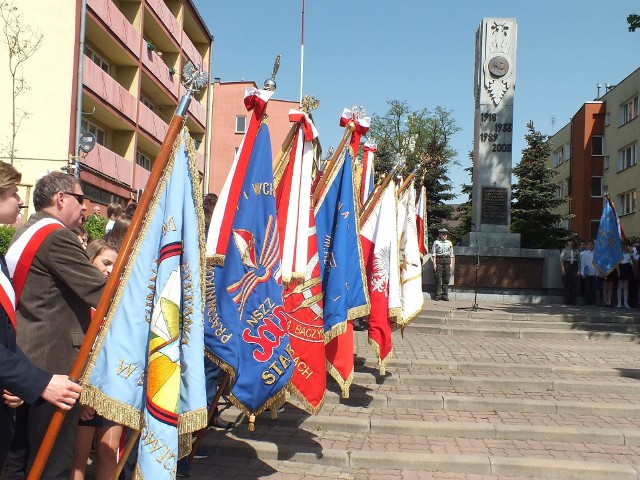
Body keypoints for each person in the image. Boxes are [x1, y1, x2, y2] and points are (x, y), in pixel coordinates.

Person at [3, 172, 107, 480]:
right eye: (80, 199)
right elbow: (100, 292)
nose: (85, 209)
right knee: (51, 465)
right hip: (53, 366)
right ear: (60, 199)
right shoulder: (57, 236)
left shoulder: (27, 231)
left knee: (19, 462)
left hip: (27, 360)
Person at [70, 239, 121, 480]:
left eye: (115, 264)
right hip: (82, 392)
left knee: (108, 452)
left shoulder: (120, 303)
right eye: (105, 262)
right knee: (78, 459)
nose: (110, 269)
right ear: (89, 262)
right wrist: (82, 397)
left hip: (111, 390)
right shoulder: (79, 303)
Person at [431, 228, 454, 301]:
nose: (444, 235)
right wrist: (434, 264)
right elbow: (434, 254)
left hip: (447, 260)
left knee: (446, 278)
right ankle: (438, 295)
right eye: (443, 234)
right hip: (439, 260)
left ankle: (445, 295)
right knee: (438, 278)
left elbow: (452, 254)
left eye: (445, 234)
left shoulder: (449, 243)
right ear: (440, 235)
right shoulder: (436, 242)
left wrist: (451, 264)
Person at [560, 237, 580, 305]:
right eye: (570, 241)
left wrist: (578, 270)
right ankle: (567, 300)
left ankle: (573, 300)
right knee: (567, 284)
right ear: (567, 243)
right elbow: (562, 260)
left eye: (572, 241)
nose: (571, 243)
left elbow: (579, 261)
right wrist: (563, 269)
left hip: (574, 266)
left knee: (574, 284)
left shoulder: (576, 251)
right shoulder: (564, 250)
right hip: (567, 265)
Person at [617, 242, 635, 308]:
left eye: (625, 246)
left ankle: (625, 303)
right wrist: (618, 271)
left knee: (625, 287)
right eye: (622, 246)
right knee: (620, 286)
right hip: (621, 269)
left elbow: (632, 264)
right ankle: (619, 302)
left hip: (627, 270)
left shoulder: (629, 254)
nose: (624, 247)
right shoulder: (618, 254)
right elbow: (617, 264)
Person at [580, 240, 597, 306]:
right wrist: (582, 273)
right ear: (586, 245)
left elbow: (597, 264)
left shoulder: (596, 253)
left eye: (592, 244)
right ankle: (587, 302)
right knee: (587, 288)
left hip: (594, 273)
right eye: (589, 244)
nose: (590, 246)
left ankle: (593, 302)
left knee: (593, 288)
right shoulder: (583, 254)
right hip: (586, 273)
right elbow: (582, 264)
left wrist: (597, 273)